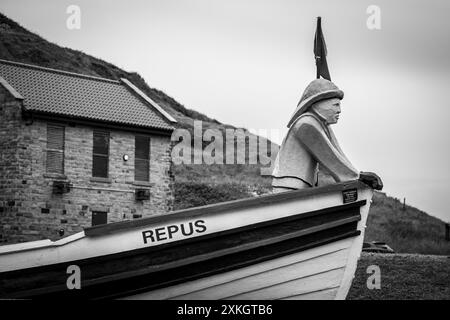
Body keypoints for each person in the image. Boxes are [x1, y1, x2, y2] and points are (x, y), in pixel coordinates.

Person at [271, 78, 382, 192]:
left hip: (300, 187)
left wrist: (357, 175)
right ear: (320, 104)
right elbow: (330, 158)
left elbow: (338, 153)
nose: (339, 110)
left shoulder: (319, 124)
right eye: (335, 105)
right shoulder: (306, 124)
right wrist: (356, 178)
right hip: (290, 187)